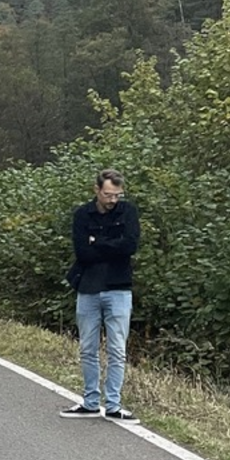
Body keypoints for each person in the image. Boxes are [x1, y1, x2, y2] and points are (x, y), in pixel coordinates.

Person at [59, 169, 140, 424]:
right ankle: (91, 401)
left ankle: (114, 404)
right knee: (87, 348)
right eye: (108, 194)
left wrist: (98, 242)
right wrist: (110, 245)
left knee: (117, 349)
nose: (112, 200)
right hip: (89, 288)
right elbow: (83, 252)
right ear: (96, 190)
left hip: (119, 288)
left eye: (117, 195)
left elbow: (130, 246)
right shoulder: (83, 215)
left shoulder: (128, 212)